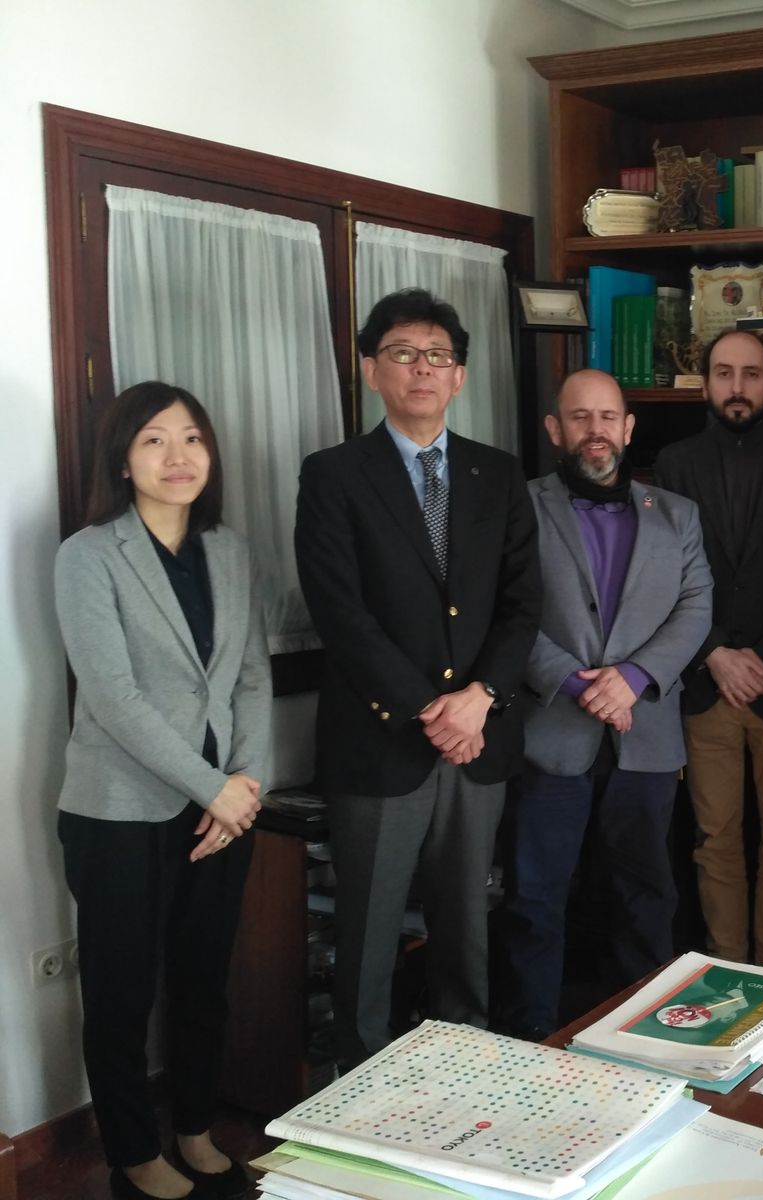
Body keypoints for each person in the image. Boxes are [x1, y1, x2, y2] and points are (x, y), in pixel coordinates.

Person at [295, 289, 540, 1069]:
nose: (422, 369)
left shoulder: (498, 475)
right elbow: (341, 614)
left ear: (460, 376)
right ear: (373, 369)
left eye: (438, 355)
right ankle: (360, 1084)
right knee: (367, 929)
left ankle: (462, 1068)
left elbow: (522, 603)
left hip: (480, 739)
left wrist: (480, 699)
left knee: (465, 922)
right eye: (402, 353)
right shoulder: (333, 475)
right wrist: (429, 710)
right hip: (380, 743)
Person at [55, 382, 269, 1200]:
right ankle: (133, 1154)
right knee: (120, 990)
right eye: (154, 440)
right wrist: (216, 789)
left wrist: (246, 786)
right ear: (122, 457)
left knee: (203, 980)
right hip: (119, 812)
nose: (178, 457)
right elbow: (112, 698)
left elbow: (251, 677)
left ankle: (193, 1128)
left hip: (223, 807)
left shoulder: (231, 551)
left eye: (192, 440)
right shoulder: (88, 554)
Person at [503, 369, 712, 1038]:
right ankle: (535, 1039)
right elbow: (509, 613)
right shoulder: (520, 509)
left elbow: (695, 607)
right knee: (536, 901)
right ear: (556, 429)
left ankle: (649, 1042)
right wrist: (579, 682)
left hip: (645, 736)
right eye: (579, 417)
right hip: (552, 735)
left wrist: (633, 677)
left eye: (607, 417)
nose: (595, 430)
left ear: (627, 427)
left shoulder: (678, 514)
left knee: (647, 899)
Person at [653, 329, 763, 968]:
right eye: (724, 374)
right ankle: (728, 967)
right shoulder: (675, 464)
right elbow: (664, 579)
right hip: (705, 684)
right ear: (705, 385)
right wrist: (713, 653)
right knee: (714, 840)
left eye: (751, 374)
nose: (737, 387)